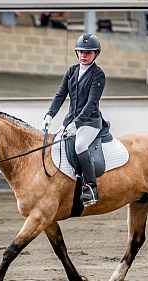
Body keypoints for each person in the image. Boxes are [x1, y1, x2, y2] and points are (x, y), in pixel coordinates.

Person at [41, 34, 106, 207]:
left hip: (90, 122)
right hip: (70, 121)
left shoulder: (98, 75)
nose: (83, 56)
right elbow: (60, 95)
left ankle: (91, 189)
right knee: (55, 144)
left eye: (88, 53)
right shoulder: (71, 71)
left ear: (96, 54)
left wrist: (77, 124)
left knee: (79, 145)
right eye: (81, 52)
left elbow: (92, 103)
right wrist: (49, 115)